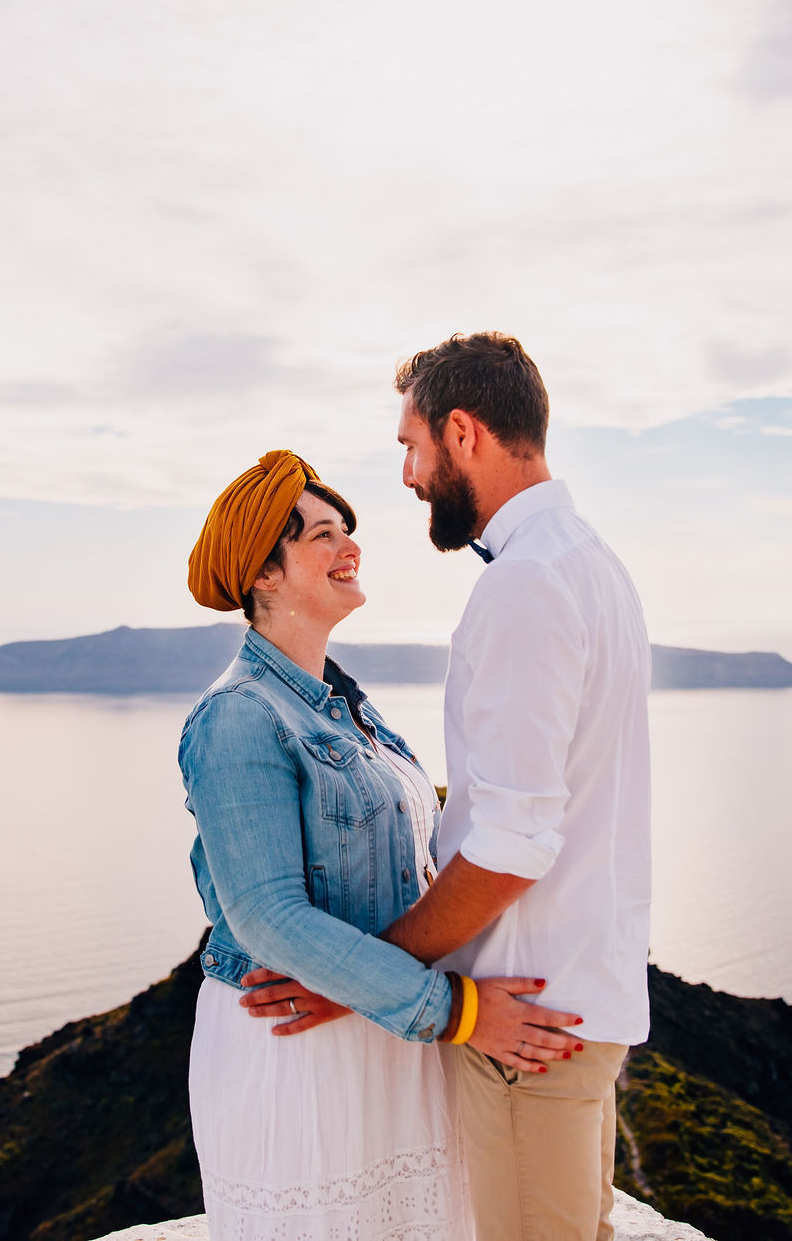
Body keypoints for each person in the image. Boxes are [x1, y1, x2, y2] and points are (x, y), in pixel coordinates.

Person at [242, 336, 653, 1241]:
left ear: (462, 432)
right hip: (578, 1000)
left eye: (411, 446)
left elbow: (512, 844)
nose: (406, 475)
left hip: (526, 1019)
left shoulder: (525, 586)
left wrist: (371, 974)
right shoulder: (591, 564)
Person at [179, 449, 584, 1241]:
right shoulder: (237, 716)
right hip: (298, 1054)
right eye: (323, 535)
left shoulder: (348, 708)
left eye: (346, 530)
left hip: (384, 1030)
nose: (349, 547)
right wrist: (459, 1010)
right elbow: (266, 917)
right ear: (263, 575)